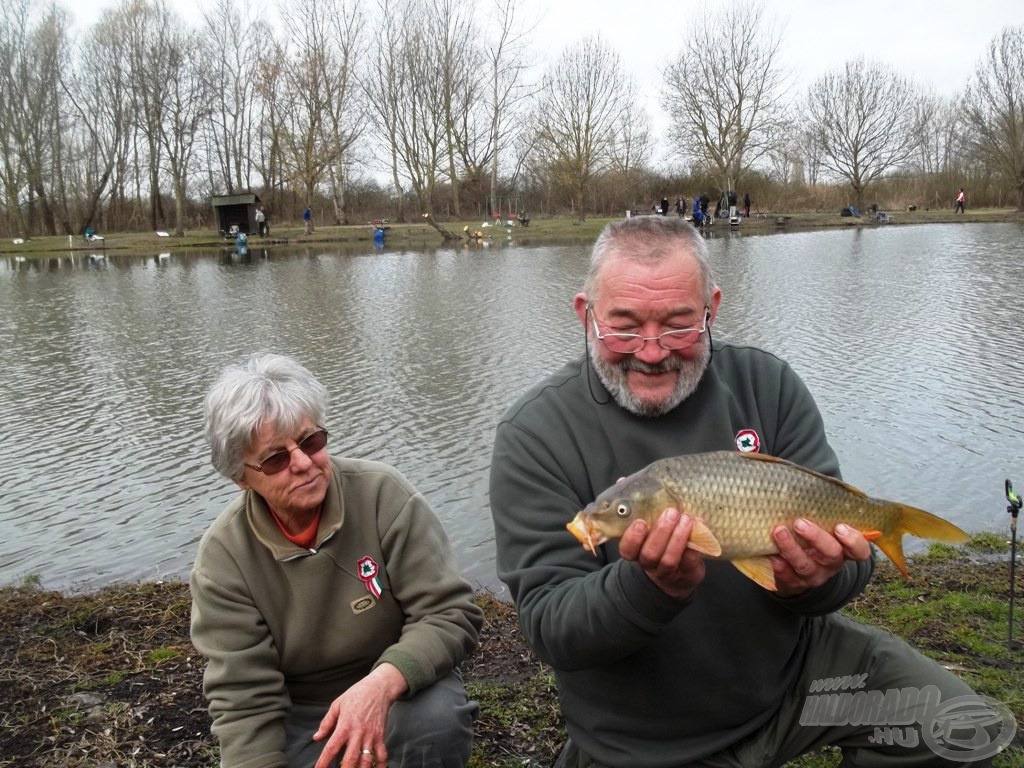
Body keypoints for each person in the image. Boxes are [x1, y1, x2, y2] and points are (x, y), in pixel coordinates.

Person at [488, 216, 1000, 768]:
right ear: (586, 315)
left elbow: (849, 564)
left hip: (795, 677)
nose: (653, 351)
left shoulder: (767, 385)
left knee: (959, 732)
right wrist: (652, 588)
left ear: (712, 308)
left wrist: (815, 581)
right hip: (644, 732)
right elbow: (550, 627)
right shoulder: (536, 434)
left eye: (680, 324)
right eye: (625, 326)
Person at [191, 354, 483, 768]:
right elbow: (244, 699)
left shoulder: (384, 495)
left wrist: (380, 685)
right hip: (304, 712)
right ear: (241, 476)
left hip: (397, 683)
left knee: (436, 720)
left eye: (310, 441)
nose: (304, 463)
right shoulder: (223, 559)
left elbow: (448, 615)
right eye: (276, 459)